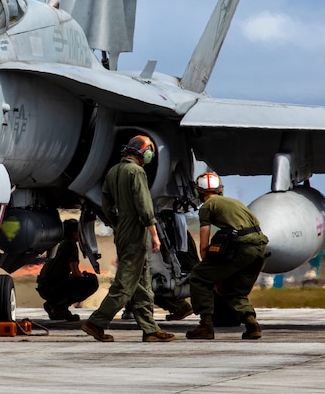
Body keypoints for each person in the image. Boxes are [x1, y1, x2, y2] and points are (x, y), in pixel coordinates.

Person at [81, 136, 176, 343]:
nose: (150, 155)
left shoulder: (113, 171)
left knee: (141, 283)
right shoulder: (136, 171)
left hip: (122, 229)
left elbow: (106, 204)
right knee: (125, 283)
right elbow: (144, 204)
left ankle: (150, 330)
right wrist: (153, 233)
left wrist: (118, 222)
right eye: (149, 150)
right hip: (136, 230)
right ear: (141, 152)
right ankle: (96, 322)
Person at [186, 172, 269, 341]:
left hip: (242, 246)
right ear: (220, 190)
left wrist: (207, 267)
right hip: (260, 248)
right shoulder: (235, 202)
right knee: (233, 290)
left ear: (199, 192)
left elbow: (204, 241)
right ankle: (252, 325)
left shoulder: (207, 207)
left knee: (198, 277)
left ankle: (206, 325)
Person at [37, 219, 99, 322]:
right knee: (92, 282)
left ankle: (54, 306)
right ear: (72, 232)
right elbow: (75, 272)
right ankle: (59, 307)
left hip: (44, 286)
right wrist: (85, 277)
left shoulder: (59, 243)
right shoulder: (70, 245)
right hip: (53, 288)